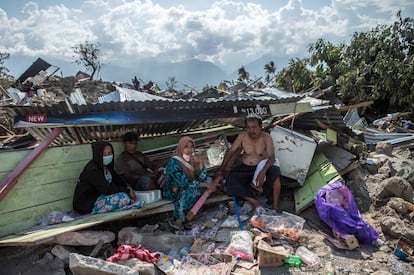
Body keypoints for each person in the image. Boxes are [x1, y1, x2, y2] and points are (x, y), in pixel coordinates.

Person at [220, 114, 281, 210]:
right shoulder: (242, 136)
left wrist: (262, 172)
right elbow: (231, 151)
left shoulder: (266, 137)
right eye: (248, 128)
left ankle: (275, 206)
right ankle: (254, 202)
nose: (251, 130)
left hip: (262, 166)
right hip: (246, 167)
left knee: (275, 173)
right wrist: (222, 168)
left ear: (260, 127)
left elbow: (272, 158)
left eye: (254, 127)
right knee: (231, 178)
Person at [73, 141, 141, 214]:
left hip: (100, 196)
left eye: (109, 153)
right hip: (87, 203)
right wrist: (126, 191)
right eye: (104, 154)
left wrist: (128, 187)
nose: (107, 156)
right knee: (124, 198)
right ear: (98, 155)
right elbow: (107, 189)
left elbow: (117, 179)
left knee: (127, 195)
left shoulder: (106, 167)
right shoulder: (92, 170)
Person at [163, 136, 216, 229]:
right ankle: (180, 219)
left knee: (208, 180)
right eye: (186, 147)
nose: (189, 150)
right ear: (180, 148)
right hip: (174, 191)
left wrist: (200, 164)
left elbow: (202, 178)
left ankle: (189, 214)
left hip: (189, 186)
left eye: (191, 147)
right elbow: (184, 183)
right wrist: (206, 185)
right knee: (191, 191)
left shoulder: (193, 160)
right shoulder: (174, 162)